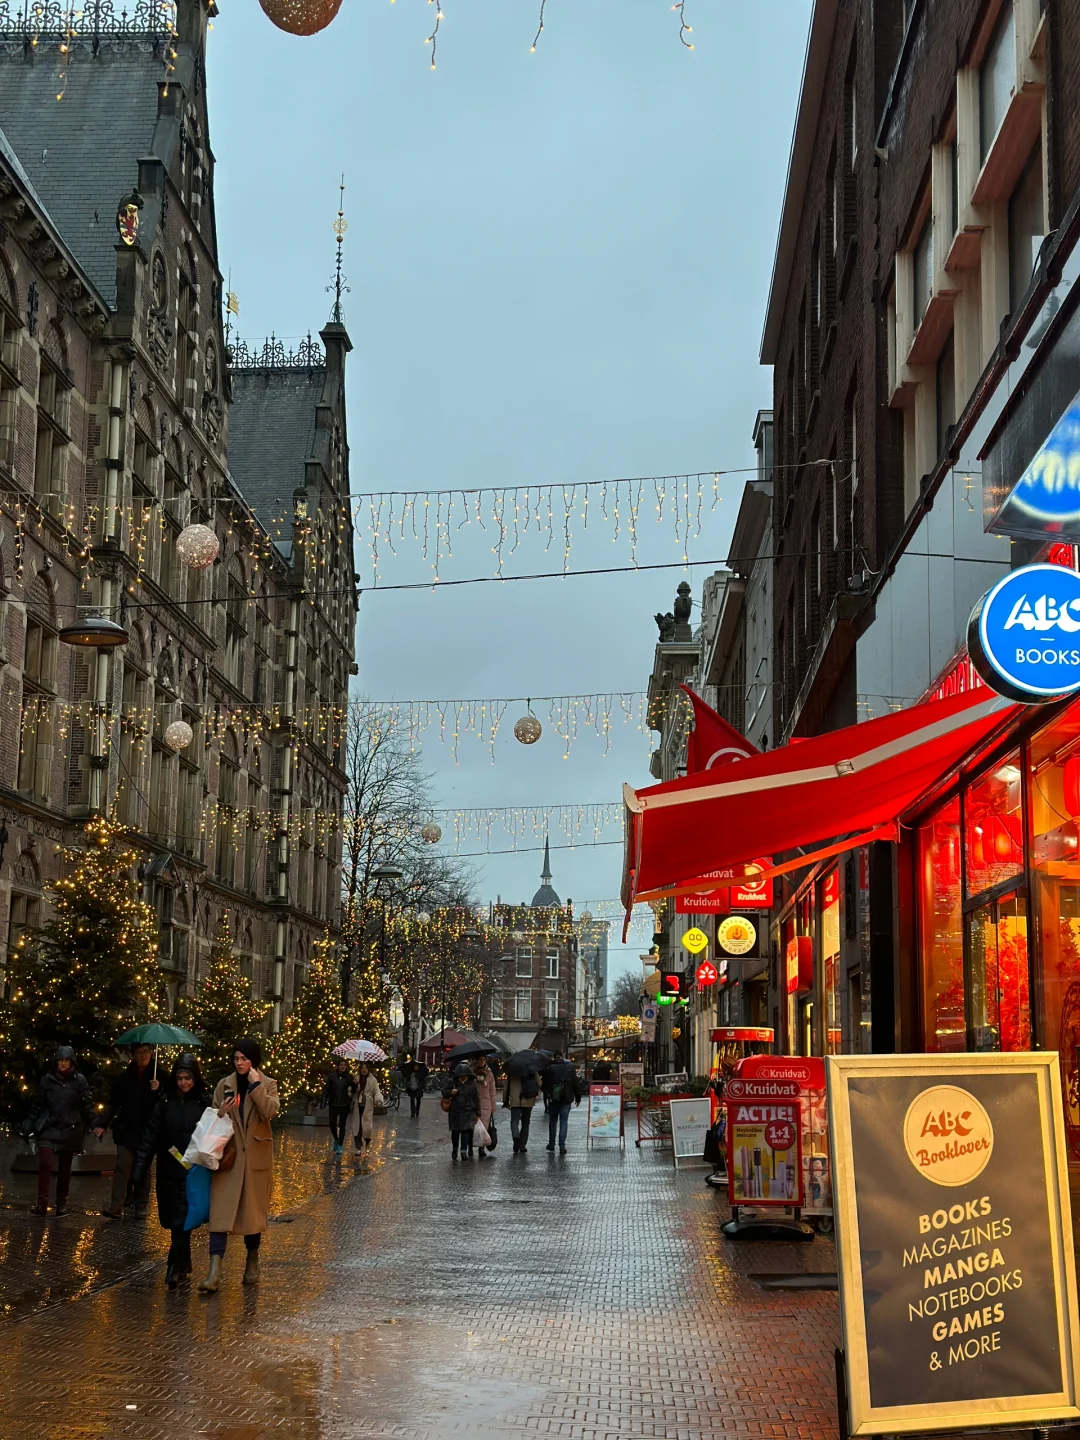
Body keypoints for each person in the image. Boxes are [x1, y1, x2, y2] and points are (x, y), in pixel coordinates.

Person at [199, 1037, 280, 1295]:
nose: (240, 1063)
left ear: (253, 1060)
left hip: (255, 1160)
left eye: (244, 1058)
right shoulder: (225, 1085)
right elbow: (212, 1116)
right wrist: (221, 1112)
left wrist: (256, 1087)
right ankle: (214, 1273)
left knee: (251, 1216)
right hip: (229, 1159)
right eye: (236, 1058)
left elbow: (270, 1112)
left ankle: (252, 1263)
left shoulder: (268, 1084)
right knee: (220, 1214)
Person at [132, 1054, 210, 1288]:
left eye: (188, 1078)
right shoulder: (164, 1104)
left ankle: (173, 1266)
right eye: (180, 1078)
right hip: (168, 1170)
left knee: (182, 1220)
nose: (184, 1083)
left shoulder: (203, 1105)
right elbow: (150, 1138)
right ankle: (184, 1261)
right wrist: (139, 1169)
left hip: (192, 1173)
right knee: (171, 1219)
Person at [23, 1045, 96, 1217]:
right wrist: (30, 1122)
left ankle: (61, 1203)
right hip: (50, 1126)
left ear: (71, 1062)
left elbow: (88, 1104)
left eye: (66, 1060)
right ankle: (42, 1203)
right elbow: (38, 1104)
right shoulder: (47, 1080)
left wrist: (96, 1124)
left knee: (65, 1168)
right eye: (60, 1060)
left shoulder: (79, 1080)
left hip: (70, 1128)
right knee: (45, 1164)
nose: (63, 1064)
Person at [100, 1042, 160, 1219]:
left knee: (144, 1168)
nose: (144, 1056)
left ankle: (141, 1205)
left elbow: (167, 1100)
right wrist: (103, 1123)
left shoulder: (159, 1075)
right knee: (122, 1166)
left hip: (147, 1131)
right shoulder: (125, 1077)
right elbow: (114, 1103)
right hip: (127, 1129)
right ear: (133, 1055)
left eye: (146, 1052)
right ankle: (116, 1205)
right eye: (140, 1052)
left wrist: (159, 1089)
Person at [543, 1050, 582, 1154]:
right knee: (564, 1122)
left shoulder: (550, 1069)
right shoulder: (570, 1068)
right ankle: (562, 1145)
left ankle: (551, 1144)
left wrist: (547, 1094)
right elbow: (576, 1085)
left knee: (553, 1122)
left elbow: (545, 1085)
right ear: (563, 1057)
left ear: (554, 1057)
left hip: (554, 1099)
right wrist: (578, 1097)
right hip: (566, 1099)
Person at [442, 1060, 480, 1160]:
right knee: (455, 1132)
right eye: (460, 1075)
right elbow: (444, 1092)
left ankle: (464, 1151)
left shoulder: (472, 1083)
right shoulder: (453, 1082)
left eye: (464, 1075)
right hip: (455, 1111)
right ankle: (455, 1149)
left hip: (468, 1111)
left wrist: (478, 1112)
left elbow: (476, 1098)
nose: (462, 1077)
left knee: (466, 1132)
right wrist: (451, 1092)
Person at [322, 1058, 356, 1155]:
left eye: (344, 1065)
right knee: (332, 1124)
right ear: (338, 1066)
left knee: (342, 1125)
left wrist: (354, 1084)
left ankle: (340, 1144)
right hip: (333, 1104)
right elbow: (327, 1089)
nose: (342, 1067)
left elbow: (353, 1091)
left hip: (344, 1105)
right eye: (341, 1065)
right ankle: (336, 1139)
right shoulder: (332, 1077)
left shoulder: (349, 1077)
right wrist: (324, 1101)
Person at [349, 1061, 383, 1156]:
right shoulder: (356, 1078)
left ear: (368, 1069)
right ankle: (358, 1147)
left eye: (366, 1068)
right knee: (357, 1127)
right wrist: (354, 1085)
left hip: (367, 1107)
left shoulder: (373, 1080)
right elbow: (350, 1090)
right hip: (357, 1106)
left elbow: (377, 1091)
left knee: (367, 1128)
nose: (364, 1070)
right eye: (362, 1068)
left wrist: (378, 1100)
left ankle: (367, 1142)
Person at [503, 1066, 539, 1154]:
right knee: (525, 1123)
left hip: (515, 1100)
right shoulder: (532, 1070)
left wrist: (505, 1101)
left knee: (514, 1121)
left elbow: (506, 1087)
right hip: (528, 1100)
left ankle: (516, 1138)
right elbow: (539, 1083)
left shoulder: (511, 1071)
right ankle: (522, 1146)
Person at [473, 1053, 497, 1159]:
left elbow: (492, 1091)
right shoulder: (472, 1072)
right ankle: (470, 1147)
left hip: (486, 1104)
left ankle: (481, 1149)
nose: (482, 1062)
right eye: (480, 1060)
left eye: (483, 1059)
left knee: (484, 1128)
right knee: (473, 1127)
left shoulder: (489, 1074)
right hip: (474, 1103)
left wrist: (493, 1106)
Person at [399, 1053, 429, 1118]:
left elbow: (423, 1080)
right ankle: (413, 1112)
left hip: (419, 1088)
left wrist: (420, 1085)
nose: (415, 1067)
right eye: (415, 1066)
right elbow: (407, 1080)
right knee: (412, 1100)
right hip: (412, 1088)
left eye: (416, 1066)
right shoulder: (411, 1072)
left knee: (418, 1100)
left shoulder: (421, 1073)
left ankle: (417, 1110)